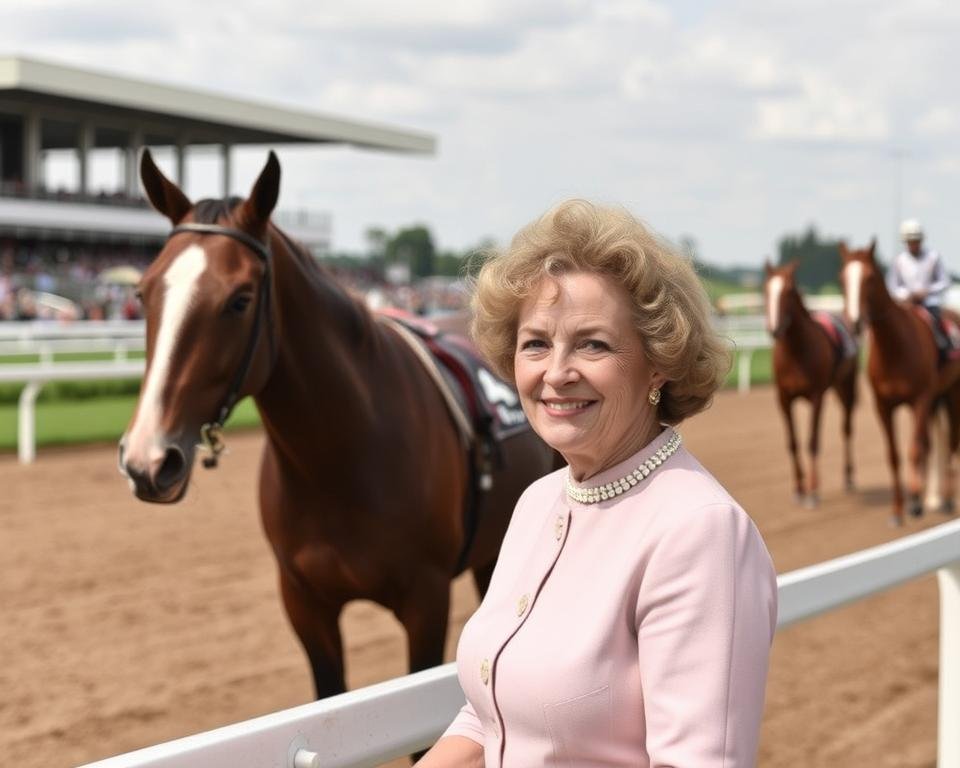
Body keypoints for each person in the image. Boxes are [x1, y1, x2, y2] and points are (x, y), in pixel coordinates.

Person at [417, 201, 777, 768]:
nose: (556, 373)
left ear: (658, 362)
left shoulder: (700, 532)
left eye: (593, 344)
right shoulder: (538, 501)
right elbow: (491, 715)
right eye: (536, 343)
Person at [888, 218, 952, 353]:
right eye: (910, 242)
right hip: (906, 304)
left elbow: (944, 281)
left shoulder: (933, 257)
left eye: (916, 241)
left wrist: (927, 291)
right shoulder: (899, 261)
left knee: (937, 321)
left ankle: (945, 346)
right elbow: (893, 285)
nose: (913, 245)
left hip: (929, 303)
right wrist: (907, 294)